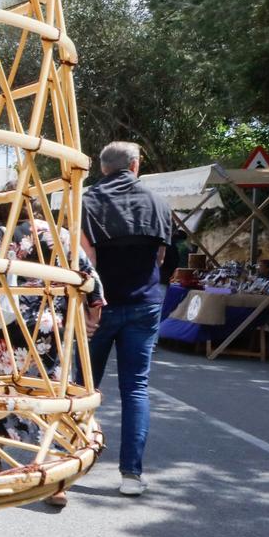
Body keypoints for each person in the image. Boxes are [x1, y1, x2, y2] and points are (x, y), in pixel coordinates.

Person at [0, 217, 101, 508]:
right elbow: (90, 277)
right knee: (54, 393)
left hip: (8, 326)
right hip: (51, 325)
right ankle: (54, 476)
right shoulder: (61, 235)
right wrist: (92, 315)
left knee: (6, 391)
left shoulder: (1, 233)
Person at [81, 141, 173, 497]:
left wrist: (90, 305)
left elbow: (84, 260)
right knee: (135, 388)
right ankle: (131, 475)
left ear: (102, 168)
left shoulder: (86, 201)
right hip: (144, 304)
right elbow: (162, 257)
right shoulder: (158, 202)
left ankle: (71, 459)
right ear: (135, 165)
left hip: (98, 307)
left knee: (81, 386)